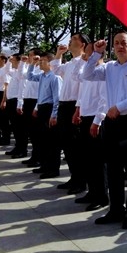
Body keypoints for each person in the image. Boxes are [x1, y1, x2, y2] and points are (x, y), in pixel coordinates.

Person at [81, 31, 127, 229]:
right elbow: (87, 75)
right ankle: (116, 209)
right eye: (116, 43)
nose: (119, 46)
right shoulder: (109, 67)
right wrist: (96, 53)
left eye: (123, 42)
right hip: (112, 122)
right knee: (113, 168)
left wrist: (119, 106)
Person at [72, 42, 109, 210]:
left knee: (97, 161)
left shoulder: (103, 72)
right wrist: (78, 110)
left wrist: (98, 120)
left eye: (88, 53)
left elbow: (104, 99)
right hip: (86, 117)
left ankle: (101, 196)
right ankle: (92, 191)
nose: (85, 56)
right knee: (88, 159)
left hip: (96, 120)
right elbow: (82, 93)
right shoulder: (89, 72)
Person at [52, 33, 90, 194]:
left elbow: (83, 87)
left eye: (74, 39)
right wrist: (59, 54)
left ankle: (81, 180)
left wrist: (78, 109)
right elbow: (55, 69)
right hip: (64, 105)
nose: (70, 41)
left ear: (82, 44)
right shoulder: (69, 64)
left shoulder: (84, 61)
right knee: (66, 144)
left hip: (75, 106)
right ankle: (74, 177)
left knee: (76, 146)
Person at [26, 52, 61, 178]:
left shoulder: (55, 77)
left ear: (50, 63)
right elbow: (29, 76)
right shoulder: (42, 76)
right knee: (42, 140)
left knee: (51, 141)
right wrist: (32, 63)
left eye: (43, 61)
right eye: (39, 61)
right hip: (41, 108)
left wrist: (54, 115)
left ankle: (53, 169)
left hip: (49, 109)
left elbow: (57, 98)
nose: (40, 63)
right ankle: (45, 166)